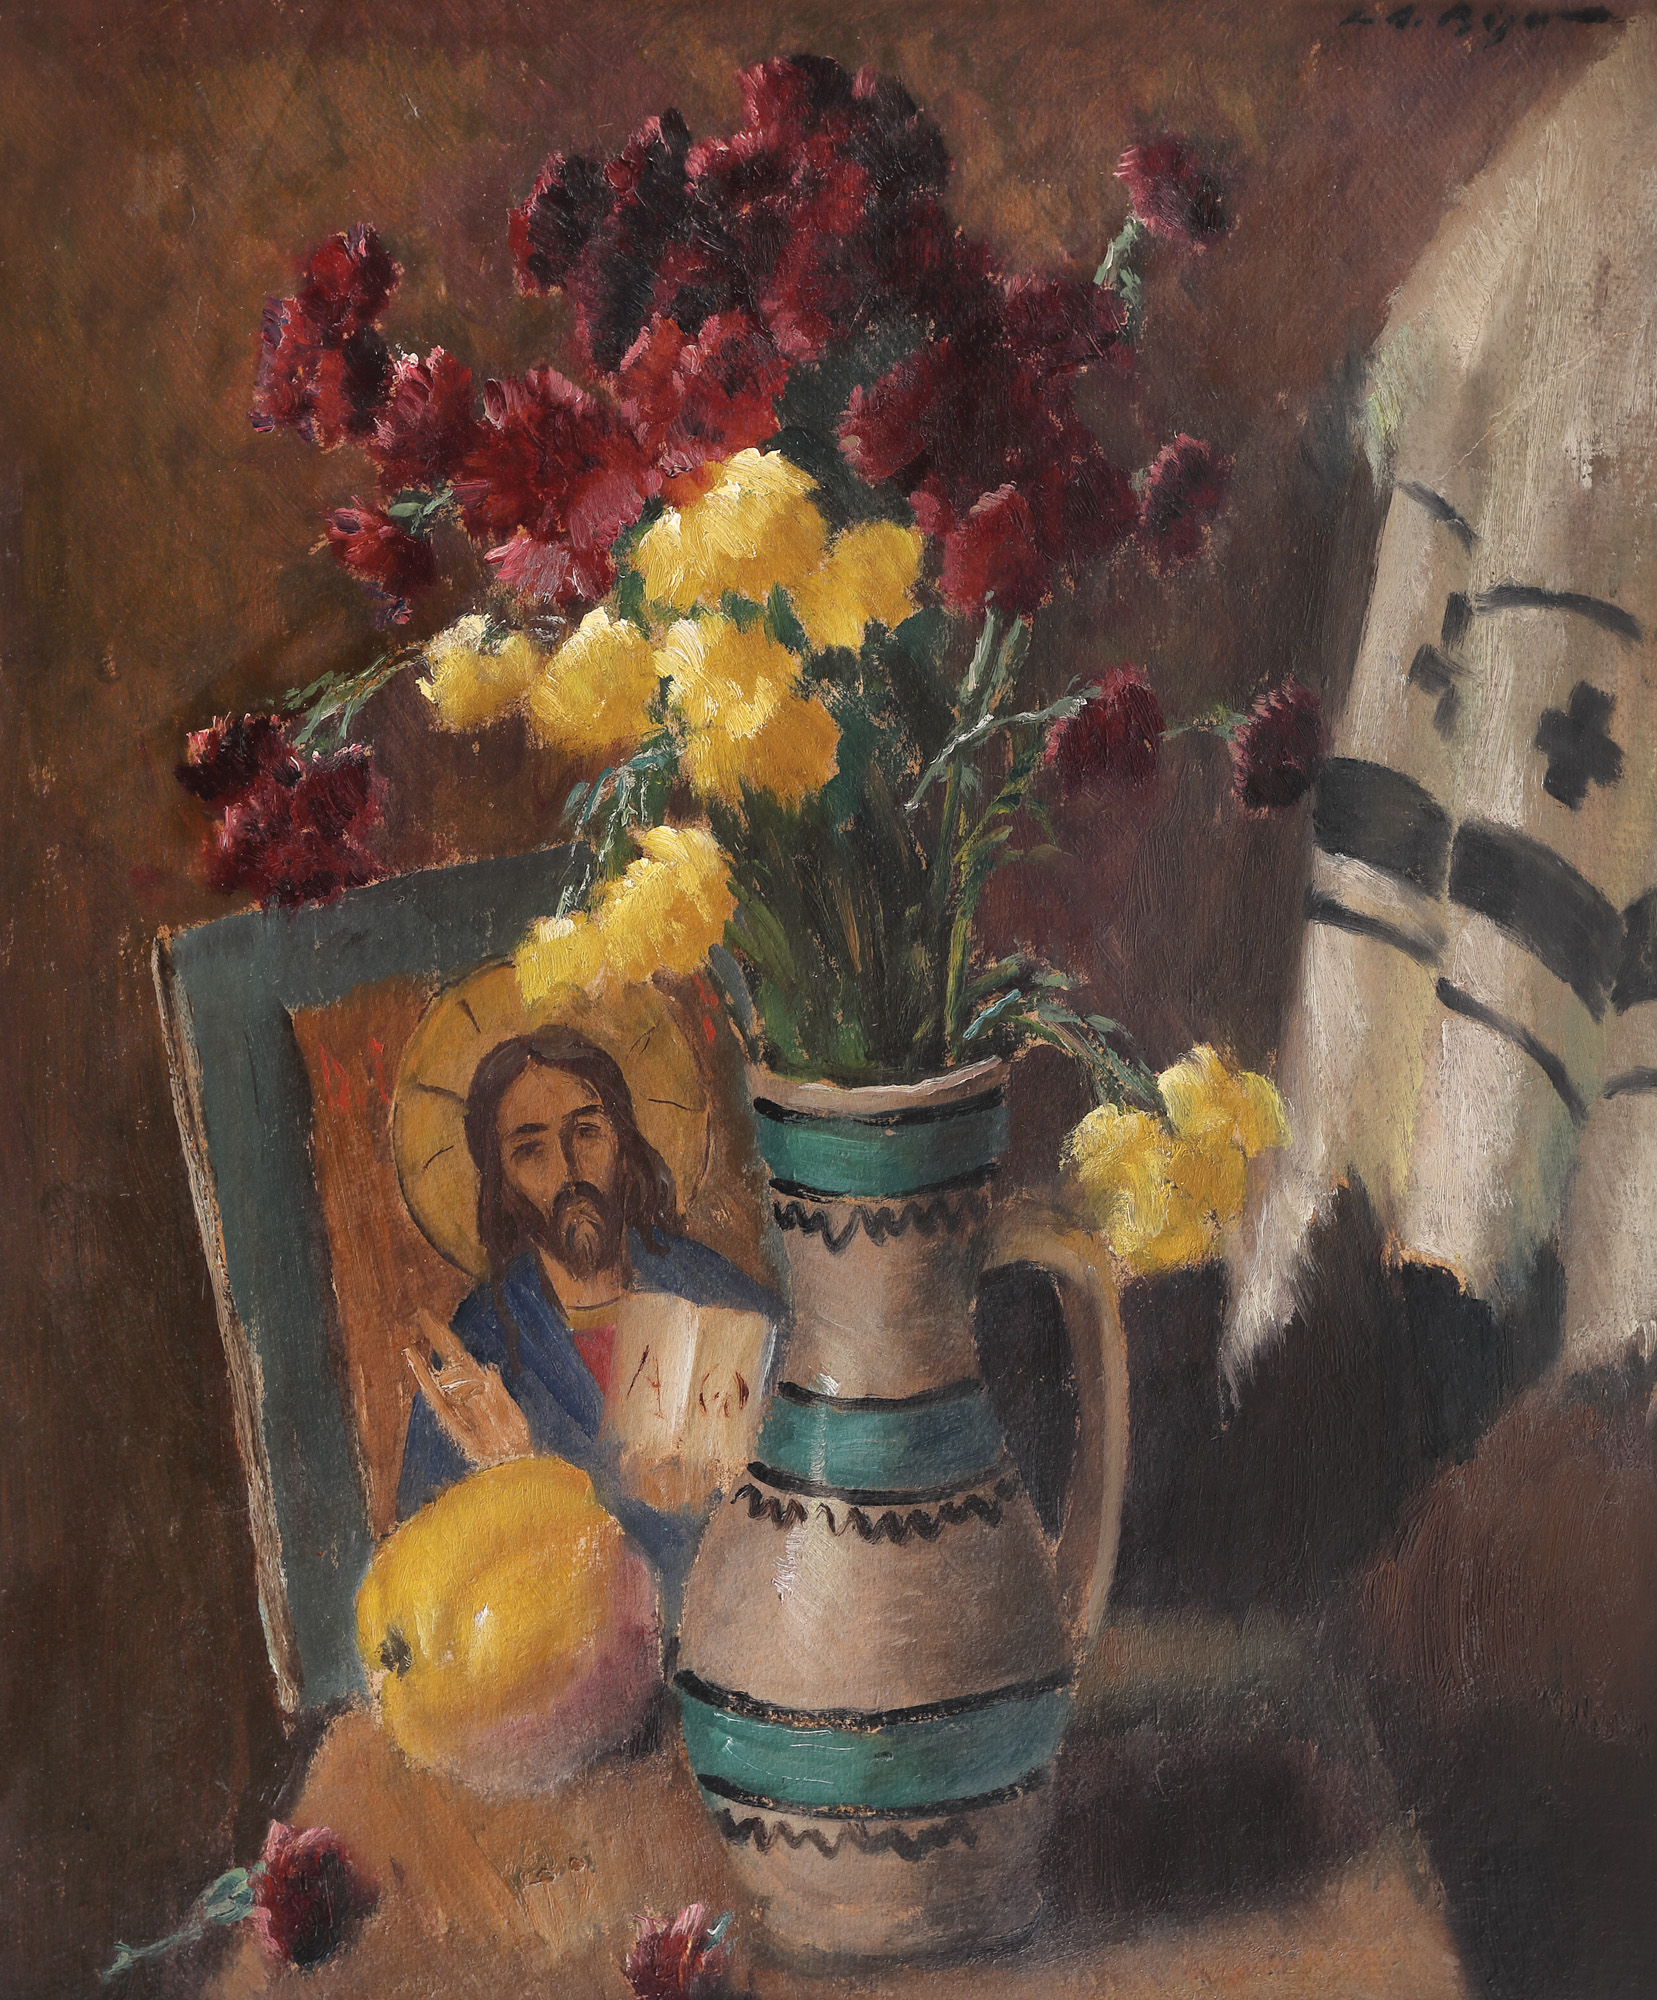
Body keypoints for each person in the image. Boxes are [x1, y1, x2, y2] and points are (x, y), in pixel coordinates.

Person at [395, 1027, 779, 1608]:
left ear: (623, 1143)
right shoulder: (476, 1350)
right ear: (501, 1186)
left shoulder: (716, 1296)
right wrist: (513, 1475)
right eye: (531, 1150)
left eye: (587, 1132)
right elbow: (428, 1580)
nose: (568, 1170)